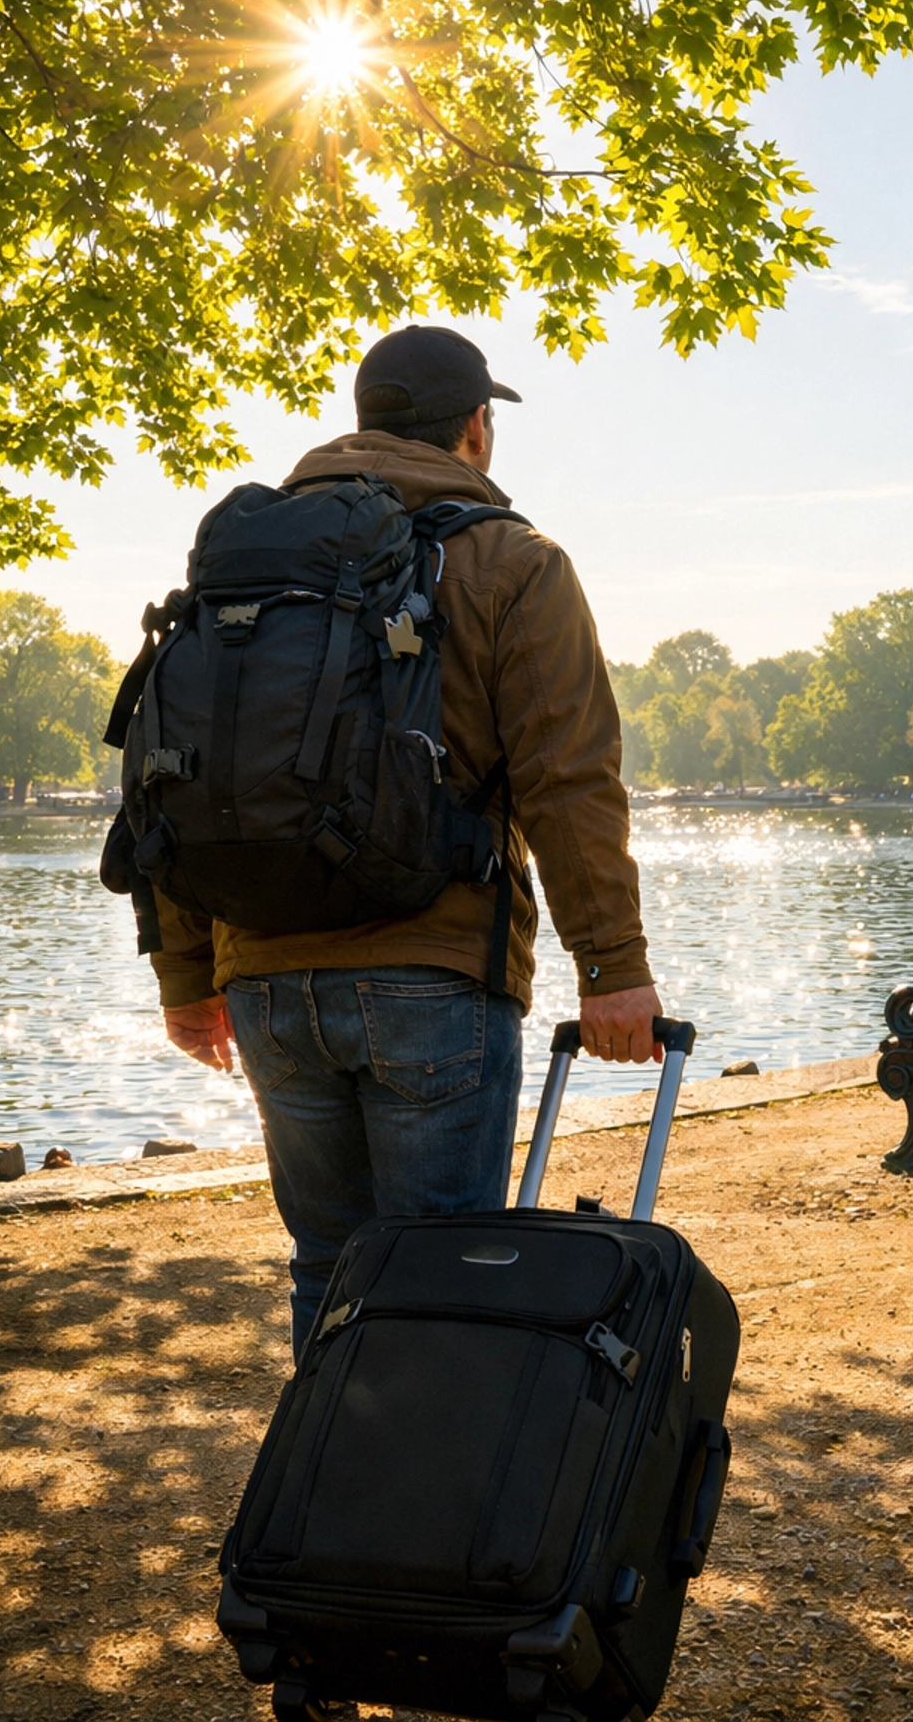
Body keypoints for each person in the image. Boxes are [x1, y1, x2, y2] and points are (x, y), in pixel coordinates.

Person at [152, 325, 661, 1357]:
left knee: (328, 1271)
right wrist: (611, 966)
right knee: (443, 1275)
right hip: (433, 974)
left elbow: (177, 773)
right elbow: (569, 780)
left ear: (364, 420)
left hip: (263, 979)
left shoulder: (247, 567)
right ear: (477, 428)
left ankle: (333, 1507)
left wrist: (184, 975)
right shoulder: (515, 562)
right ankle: (429, 1511)